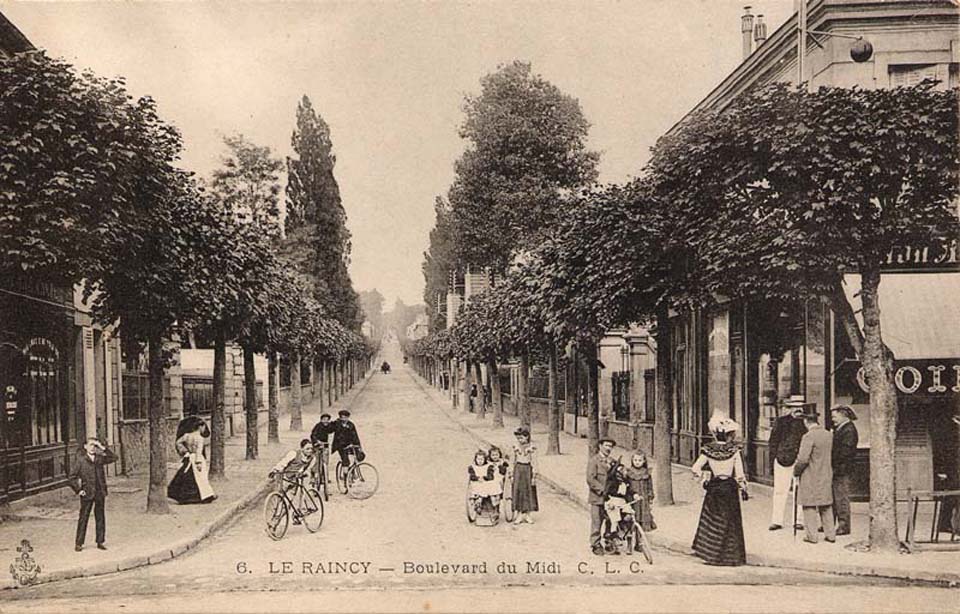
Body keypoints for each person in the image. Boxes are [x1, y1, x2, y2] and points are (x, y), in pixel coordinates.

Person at [691, 414, 747, 566]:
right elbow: (740, 474)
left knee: (712, 520)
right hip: (729, 487)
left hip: (715, 487)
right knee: (730, 522)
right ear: (729, 435)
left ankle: (711, 554)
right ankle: (730, 557)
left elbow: (695, 468)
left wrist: (704, 478)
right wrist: (743, 487)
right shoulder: (734, 451)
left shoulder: (708, 450)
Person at [794, 410, 836, 544]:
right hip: (826, 473)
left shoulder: (808, 436)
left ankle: (812, 536)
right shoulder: (828, 435)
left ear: (806, 422)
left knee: (809, 505)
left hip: (810, 474)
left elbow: (802, 459)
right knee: (826, 504)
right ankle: (831, 534)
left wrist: (796, 472)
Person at [768, 395, 808, 531]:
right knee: (780, 490)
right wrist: (776, 456)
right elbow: (773, 441)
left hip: (801, 461)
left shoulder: (807, 422)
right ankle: (777, 520)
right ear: (790, 408)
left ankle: (799, 521)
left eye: (800, 407)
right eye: (794, 407)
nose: (797, 409)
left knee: (800, 490)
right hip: (783, 460)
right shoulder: (781, 421)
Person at [69, 438, 117, 552]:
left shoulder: (99, 459)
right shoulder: (80, 460)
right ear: (85, 446)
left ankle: (100, 541)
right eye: (90, 445)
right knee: (83, 517)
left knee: (100, 517)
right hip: (87, 493)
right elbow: (71, 477)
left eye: (94, 446)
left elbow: (114, 458)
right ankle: (79, 543)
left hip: (100, 492)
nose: (93, 448)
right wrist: (79, 490)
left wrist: (102, 447)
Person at [167, 417, 216, 504]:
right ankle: (203, 496)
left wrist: (184, 451)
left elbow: (178, 442)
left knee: (187, 477)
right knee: (201, 478)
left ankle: (184, 497)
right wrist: (198, 462)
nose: (203, 429)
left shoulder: (187, 436)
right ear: (200, 427)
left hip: (188, 457)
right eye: (203, 427)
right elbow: (198, 451)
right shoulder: (200, 438)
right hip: (197, 458)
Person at [830, 405, 859, 536]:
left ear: (843, 416)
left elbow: (845, 452)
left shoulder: (849, 430)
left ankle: (844, 526)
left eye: (834, 416)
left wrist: (835, 463)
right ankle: (832, 523)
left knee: (841, 498)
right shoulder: (841, 428)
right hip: (838, 468)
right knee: (835, 497)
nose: (833, 419)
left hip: (842, 469)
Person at [587, 438, 616, 555]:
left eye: (610, 446)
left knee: (610, 520)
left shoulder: (612, 461)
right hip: (597, 497)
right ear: (600, 446)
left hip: (610, 497)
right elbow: (590, 479)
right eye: (606, 445)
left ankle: (608, 541)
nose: (608, 448)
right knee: (597, 521)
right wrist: (601, 490)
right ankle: (595, 544)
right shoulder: (594, 461)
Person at [510, 427, 538, 524]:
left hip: (527, 470)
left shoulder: (531, 448)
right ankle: (518, 514)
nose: (519, 440)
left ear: (527, 437)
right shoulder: (515, 448)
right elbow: (512, 461)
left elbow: (534, 462)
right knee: (517, 490)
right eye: (518, 438)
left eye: (521, 438)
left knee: (528, 491)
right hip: (518, 470)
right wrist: (511, 474)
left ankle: (527, 514)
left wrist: (534, 476)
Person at [624, 452, 656, 532]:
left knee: (643, 517)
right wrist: (632, 494)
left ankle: (640, 539)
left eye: (639, 460)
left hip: (643, 499)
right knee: (632, 518)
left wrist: (650, 497)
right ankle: (630, 538)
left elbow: (650, 486)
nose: (637, 462)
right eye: (635, 460)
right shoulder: (629, 472)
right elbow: (627, 486)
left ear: (644, 461)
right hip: (632, 499)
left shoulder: (646, 473)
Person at [310, 413, 335, 482]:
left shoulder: (328, 426)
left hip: (325, 445)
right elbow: (313, 435)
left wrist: (334, 423)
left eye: (327, 420)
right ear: (321, 420)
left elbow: (332, 430)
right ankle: (313, 475)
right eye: (324, 419)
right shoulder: (318, 426)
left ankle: (325, 478)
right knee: (316, 461)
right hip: (317, 445)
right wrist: (317, 441)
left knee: (325, 462)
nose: (325, 421)